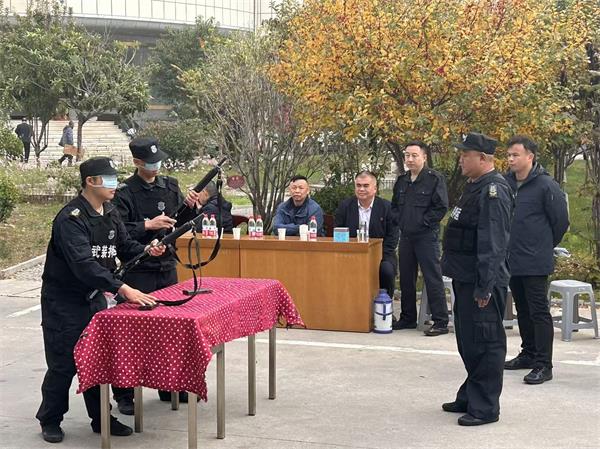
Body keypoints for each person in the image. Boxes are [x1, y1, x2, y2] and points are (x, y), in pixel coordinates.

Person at [35, 157, 165, 443]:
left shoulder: (110, 211)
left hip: (95, 299)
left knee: (97, 361)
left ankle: (101, 418)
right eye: (108, 179)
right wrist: (123, 289)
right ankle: (50, 419)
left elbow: (124, 246)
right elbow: (84, 266)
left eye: (115, 178)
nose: (114, 184)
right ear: (90, 181)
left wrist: (147, 249)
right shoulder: (71, 219)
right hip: (64, 302)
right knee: (64, 364)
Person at [111, 137, 198, 413]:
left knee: (168, 331)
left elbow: (180, 222)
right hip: (138, 270)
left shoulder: (170, 185)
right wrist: (148, 225)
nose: (155, 166)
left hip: (166, 267)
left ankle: (168, 385)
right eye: (149, 162)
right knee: (130, 334)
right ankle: (125, 394)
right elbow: (118, 230)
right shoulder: (124, 192)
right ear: (137, 162)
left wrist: (190, 206)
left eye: (157, 160)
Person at [440, 132, 513, 426]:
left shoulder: (493, 190)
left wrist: (485, 286)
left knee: (486, 344)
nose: (460, 159)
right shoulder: (475, 186)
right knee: (469, 342)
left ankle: (485, 407)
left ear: (482, 158)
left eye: (465, 155)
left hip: (482, 281)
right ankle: (471, 395)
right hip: (466, 277)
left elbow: (492, 243)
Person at [504, 135, 569, 384]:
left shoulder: (545, 185)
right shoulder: (506, 183)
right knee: (522, 309)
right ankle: (528, 353)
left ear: (529, 156)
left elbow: (560, 221)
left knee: (538, 311)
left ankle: (544, 364)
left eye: (515, 155)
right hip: (512, 258)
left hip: (535, 259)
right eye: (509, 155)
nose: (510, 159)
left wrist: (542, 245)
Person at [391, 141, 449, 336]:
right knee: (406, 278)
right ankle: (408, 317)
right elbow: (394, 207)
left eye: (414, 155)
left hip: (426, 236)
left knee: (432, 278)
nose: (410, 159)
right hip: (406, 236)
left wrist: (422, 222)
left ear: (424, 157)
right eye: (407, 155)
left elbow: (440, 207)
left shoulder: (434, 179)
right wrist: (401, 221)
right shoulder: (402, 181)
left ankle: (440, 321)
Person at [335, 171, 399, 298]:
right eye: (358, 185)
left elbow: (392, 238)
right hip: (351, 254)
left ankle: (384, 304)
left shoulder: (387, 207)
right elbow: (338, 232)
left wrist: (376, 256)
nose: (361, 189)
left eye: (365, 186)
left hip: (382, 254)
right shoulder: (345, 206)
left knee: (386, 270)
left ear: (375, 188)